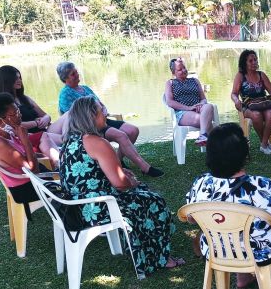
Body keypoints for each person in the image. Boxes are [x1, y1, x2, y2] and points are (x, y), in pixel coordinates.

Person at [59, 96, 183, 277]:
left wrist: (124, 176)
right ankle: (158, 258)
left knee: (143, 193)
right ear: (91, 116)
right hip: (96, 208)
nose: (105, 113)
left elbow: (92, 175)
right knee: (154, 202)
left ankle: (148, 250)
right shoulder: (97, 142)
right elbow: (119, 183)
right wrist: (130, 181)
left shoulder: (69, 141)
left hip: (76, 205)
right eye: (102, 110)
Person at [186, 123, 271, 289]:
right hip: (259, 252)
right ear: (243, 153)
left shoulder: (200, 183)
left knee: (231, 232)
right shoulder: (262, 186)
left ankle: (242, 277)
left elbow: (191, 218)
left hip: (217, 250)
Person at [56, 62, 163, 177]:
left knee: (133, 131)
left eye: (76, 71)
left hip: (103, 120)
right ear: (65, 78)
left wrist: (104, 110)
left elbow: (99, 103)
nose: (77, 74)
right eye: (73, 74)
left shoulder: (85, 88)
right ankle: (145, 168)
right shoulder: (65, 94)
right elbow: (74, 117)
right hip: (90, 127)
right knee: (121, 135)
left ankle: (117, 161)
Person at [0, 92, 59, 218]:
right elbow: (34, 169)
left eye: (18, 110)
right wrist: (25, 139)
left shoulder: (3, 131)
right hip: (27, 188)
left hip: (33, 179)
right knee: (75, 183)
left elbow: (27, 157)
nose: (20, 115)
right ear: (1, 121)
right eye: (15, 113)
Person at [0, 65, 68, 146]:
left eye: (20, 78)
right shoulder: (2, 103)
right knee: (67, 139)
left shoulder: (24, 98)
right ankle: (69, 143)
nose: (19, 80)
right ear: (6, 81)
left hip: (44, 130)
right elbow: (12, 126)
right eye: (16, 78)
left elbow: (46, 115)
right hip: (31, 136)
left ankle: (69, 140)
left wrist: (46, 119)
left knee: (69, 113)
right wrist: (35, 123)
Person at [231, 50, 271, 155]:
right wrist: (236, 100)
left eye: (255, 60)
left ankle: (264, 144)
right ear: (244, 63)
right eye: (250, 61)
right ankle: (265, 143)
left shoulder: (261, 74)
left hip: (264, 103)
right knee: (256, 115)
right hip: (248, 106)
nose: (254, 62)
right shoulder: (240, 76)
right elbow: (233, 93)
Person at [164, 57, 215, 146]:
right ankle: (217, 145)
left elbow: (203, 98)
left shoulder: (195, 81)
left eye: (184, 68)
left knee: (209, 106)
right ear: (173, 73)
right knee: (206, 121)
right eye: (180, 69)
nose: (183, 70)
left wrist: (201, 104)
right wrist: (189, 108)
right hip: (182, 112)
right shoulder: (170, 83)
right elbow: (170, 102)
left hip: (199, 109)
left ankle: (203, 136)